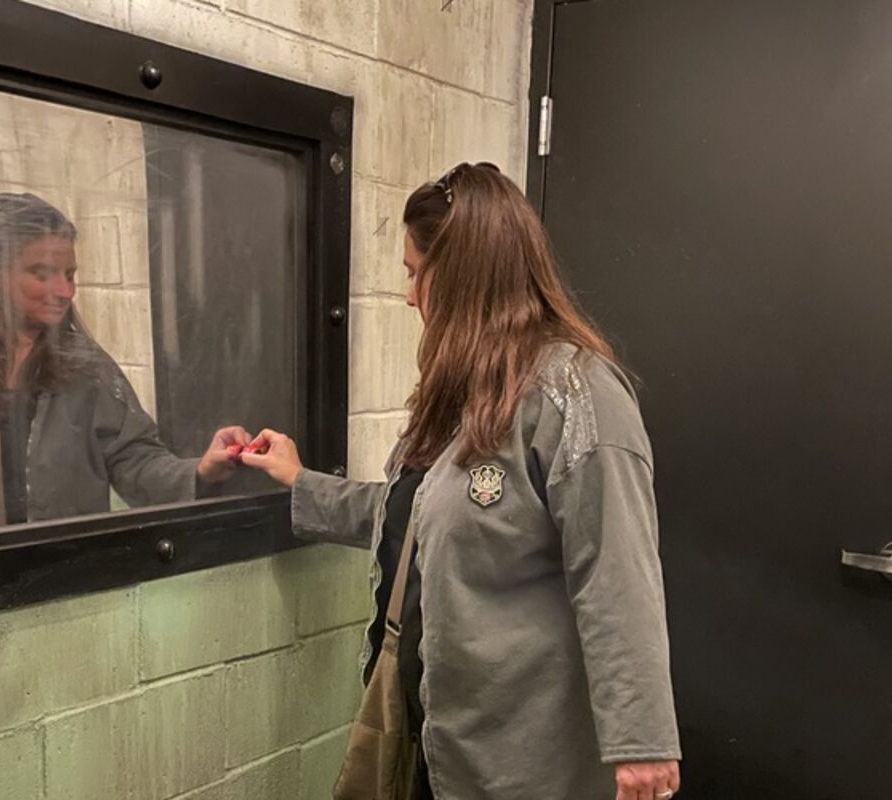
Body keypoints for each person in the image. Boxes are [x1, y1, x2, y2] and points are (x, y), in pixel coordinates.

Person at [242, 163, 682, 799]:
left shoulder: (575, 392)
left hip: (519, 760)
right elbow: (417, 515)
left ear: (462, 272)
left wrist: (641, 740)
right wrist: (297, 481)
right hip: (433, 739)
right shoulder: (462, 390)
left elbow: (616, 571)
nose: (409, 295)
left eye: (416, 273)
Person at [0, 192, 247, 534]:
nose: (65, 290)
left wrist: (200, 472)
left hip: (59, 578)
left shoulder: (87, 370)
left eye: (69, 274)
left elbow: (136, 460)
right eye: (42, 274)